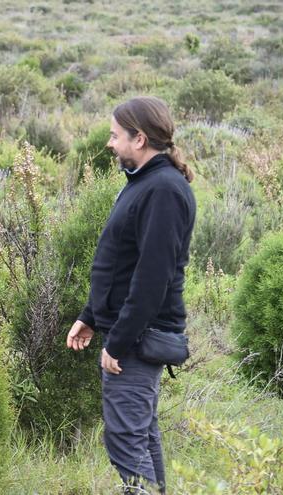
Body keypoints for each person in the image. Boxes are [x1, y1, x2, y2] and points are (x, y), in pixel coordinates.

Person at [66, 96, 196, 494]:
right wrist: (91, 316)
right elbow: (119, 261)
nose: (109, 144)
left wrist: (119, 342)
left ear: (139, 139)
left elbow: (152, 278)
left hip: (139, 337)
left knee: (126, 436)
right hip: (130, 329)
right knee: (140, 431)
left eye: (114, 135)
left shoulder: (162, 190)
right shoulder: (144, 183)